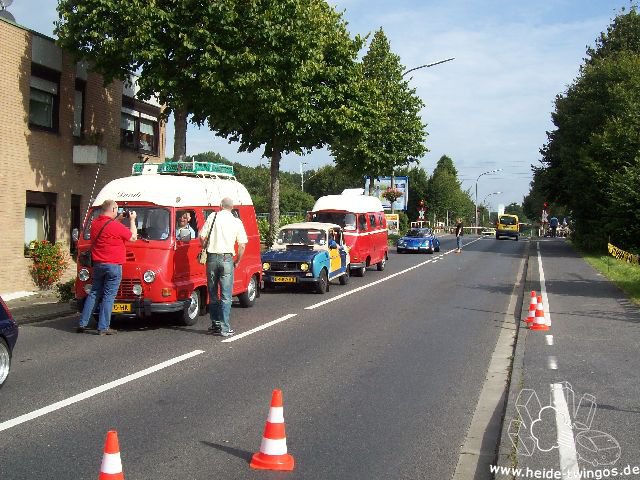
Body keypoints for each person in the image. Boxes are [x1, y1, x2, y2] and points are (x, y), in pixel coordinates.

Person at [77, 199, 137, 335]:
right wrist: (132, 220)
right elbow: (133, 237)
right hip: (113, 265)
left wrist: (118, 219)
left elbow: (108, 228)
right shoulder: (115, 226)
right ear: (114, 210)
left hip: (98, 264)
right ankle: (103, 327)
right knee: (108, 296)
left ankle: (83, 323)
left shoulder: (95, 224)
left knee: (94, 293)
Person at [199, 197, 248, 337]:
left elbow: (201, 236)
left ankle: (215, 325)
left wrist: (205, 247)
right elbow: (242, 245)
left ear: (220, 205)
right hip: (227, 258)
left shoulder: (212, 217)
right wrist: (237, 261)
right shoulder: (236, 221)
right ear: (232, 207)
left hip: (212, 258)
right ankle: (225, 328)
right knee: (226, 296)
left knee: (213, 294)